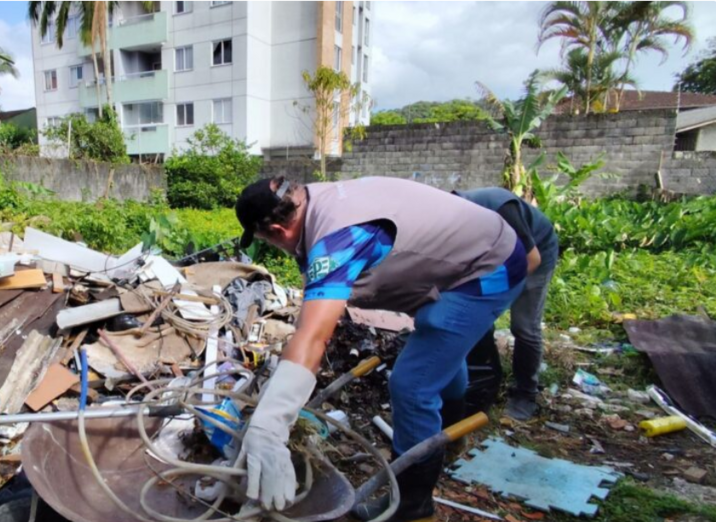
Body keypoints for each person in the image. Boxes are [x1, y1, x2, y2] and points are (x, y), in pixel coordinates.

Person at [235, 176, 527, 521]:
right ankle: (446, 441)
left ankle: (413, 504)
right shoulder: (316, 200)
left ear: (276, 231)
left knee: (413, 383)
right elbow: (313, 316)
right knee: (439, 356)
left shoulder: (338, 238)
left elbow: (314, 336)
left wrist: (269, 426)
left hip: (488, 268)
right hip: (465, 255)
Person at [454, 187, 559, 421]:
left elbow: (531, 260)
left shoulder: (501, 207)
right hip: (496, 254)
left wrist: (496, 294)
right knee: (477, 316)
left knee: (524, 326)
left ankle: (526, 394)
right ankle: (487, 378)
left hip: (536, 252)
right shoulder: (457, 220)